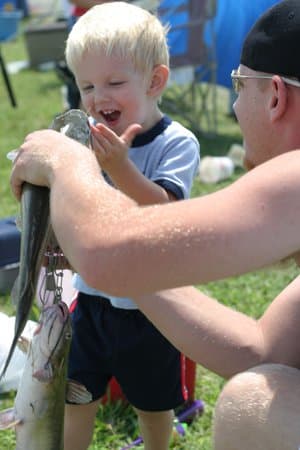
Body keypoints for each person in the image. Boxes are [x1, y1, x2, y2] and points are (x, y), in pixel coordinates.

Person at [10, 0, 300, 448]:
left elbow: (111, 252)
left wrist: (66, 165)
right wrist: (121, 261)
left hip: (138, 327)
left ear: (276, 95)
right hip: (98, 308)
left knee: (252, 407)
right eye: (86, 85)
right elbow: (265, 350)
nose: (237, 107)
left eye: (239, 85)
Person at [60, 3, 200, 450]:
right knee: (76, 395)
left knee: (153, 403)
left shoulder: (177, 143)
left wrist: (119, 168)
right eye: (86, 86)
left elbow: (163, 210)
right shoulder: (87, 139)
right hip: (92, 297)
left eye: (114, 83)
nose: (99, 97)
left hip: (149, 307)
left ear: (155, 81)